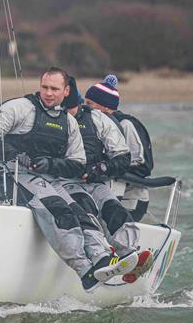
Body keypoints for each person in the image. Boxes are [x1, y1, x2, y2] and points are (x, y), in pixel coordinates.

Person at [0, 67, 138, 292]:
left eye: (54, 89)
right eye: (44, 87)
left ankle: (101, 258)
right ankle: (84, 270)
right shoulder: (20, 108)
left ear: (66, 91)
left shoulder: (68, 122)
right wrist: (13, 154)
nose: (48, 93)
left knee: (82, 213)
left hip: (49, 178)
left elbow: (77, 163)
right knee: (60, 211)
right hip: (14, 175)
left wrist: (50, 165)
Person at [60, 77, 153, 283]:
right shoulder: (83, 121)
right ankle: (118, 257)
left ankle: (123, 254)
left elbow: (140, 164)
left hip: (129, 194)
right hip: (95, 185)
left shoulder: (123, 124)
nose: (85, 107)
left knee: (106, 205)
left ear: (104, 106)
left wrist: (103, 168)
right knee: (93, 204)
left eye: (90, 104)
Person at [84, 75, 154, 222]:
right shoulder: (94, 124)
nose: (84, 107)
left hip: (131, 199)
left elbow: (142, 167)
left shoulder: (126, 125)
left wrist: (106, 167)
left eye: (89, 104)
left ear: (107, 107)